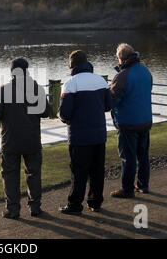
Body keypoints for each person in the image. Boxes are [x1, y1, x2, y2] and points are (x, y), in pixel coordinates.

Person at [0, 58, 50, 219]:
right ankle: (35, 207)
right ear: (27, 70)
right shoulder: (36, 89)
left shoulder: (4, 90)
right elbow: (46, 112)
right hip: (31, 139)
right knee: (34, 173)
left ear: (12, 72)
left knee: (10, 175)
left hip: (10, 141)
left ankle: (13, 209)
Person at [58, 50, 112, 214]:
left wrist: (62, 117)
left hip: (79, 136)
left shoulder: (71, 83)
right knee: (97, 170)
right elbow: (108, 106)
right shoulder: (101, 81)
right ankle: (95, 202)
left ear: (72, 65)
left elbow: (65, 113)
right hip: (99, 134)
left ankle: (75, 205)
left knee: (79, 171)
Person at [109, 43, 153, 198]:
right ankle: (143, 185)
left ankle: (126, 189)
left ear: (120, 58)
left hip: (128, 122)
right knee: (143, 155)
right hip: (145, 120)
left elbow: (112, 100)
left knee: (127, 158)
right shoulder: (145, 71)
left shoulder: (122, 75)